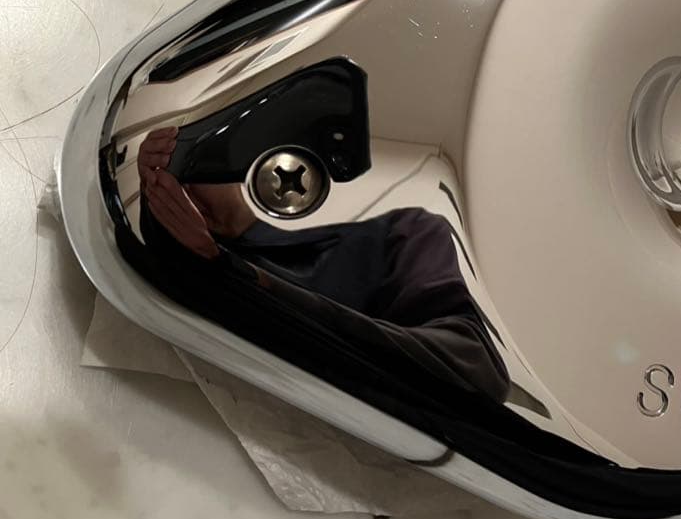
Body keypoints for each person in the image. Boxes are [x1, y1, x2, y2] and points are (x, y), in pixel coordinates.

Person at [135, 126, 510, 404]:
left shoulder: (406, 232)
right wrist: (167, 213)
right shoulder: (220, 247)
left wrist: (234, 273)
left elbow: (476, 373)